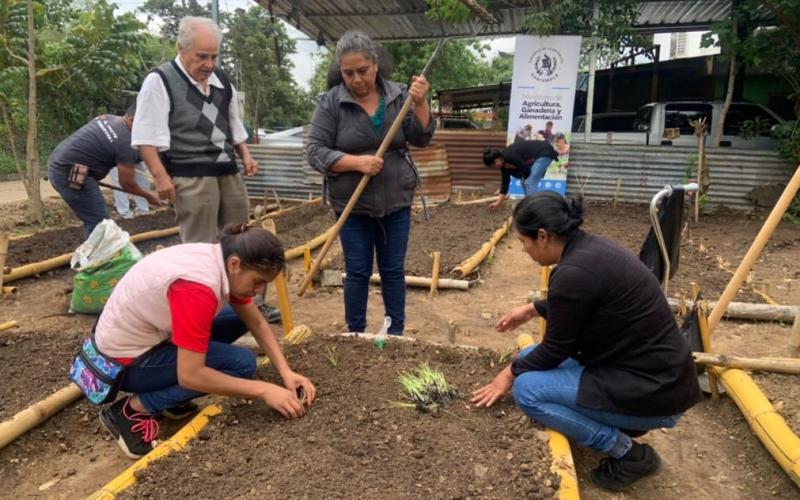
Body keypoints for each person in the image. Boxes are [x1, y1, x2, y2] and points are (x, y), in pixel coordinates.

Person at [471, 193, 702, 492]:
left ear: (542, 236)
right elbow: (583, 301)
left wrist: (507, 374)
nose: (523, 249)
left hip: (654, 391)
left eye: (523, 241)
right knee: (529, 355)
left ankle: (629, 454)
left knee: (527, 390)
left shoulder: (573, 272)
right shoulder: (589, 249)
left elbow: (555, 350)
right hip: (656, 375)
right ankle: (619, 421)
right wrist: (532, 309)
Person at [94, 223, 317, 459]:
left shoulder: (219, 260)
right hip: (122, 364)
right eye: (257, 281)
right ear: (235, 264)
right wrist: (265, 391)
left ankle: (170, 399)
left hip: (145, 338)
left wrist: (285, 372)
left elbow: (258, 322)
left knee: (238, 317)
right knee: (241, 365)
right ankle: (133, 410)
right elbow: (190, 375)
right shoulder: (197, 287)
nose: (260, 290)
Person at [307, 31, 434, 335]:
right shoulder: (331, 103)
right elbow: (315, 152)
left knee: (392, 271)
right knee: (358, 271)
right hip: (352, 204)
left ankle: (395, 332)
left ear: (375, 65)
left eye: (362, 70)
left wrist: (420, 103)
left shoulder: (398, 96)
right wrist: (356, 162)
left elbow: (421, 137)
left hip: (396, 200)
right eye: (348, 72)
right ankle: (356, 333)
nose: (356, 79)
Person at [132, 16, 257, 244]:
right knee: (200, 245)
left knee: (240, 238)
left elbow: (232, 123)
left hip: (227, 171)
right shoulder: (161, 81)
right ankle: (202, 280)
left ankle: (231, 280)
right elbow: (145, 137)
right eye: (202, 57)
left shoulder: (221, 80)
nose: (209, 64)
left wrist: (246, 155)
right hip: (190, 175)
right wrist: (161, 177)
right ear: (181, 48)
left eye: (213, 57)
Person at [47, 106, 160, 238]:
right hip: (69, 173)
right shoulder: (126, 142)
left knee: (98, 223)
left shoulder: (109, 118)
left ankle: (95, 255)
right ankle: (95, 257)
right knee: (100, 225)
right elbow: (127, 183)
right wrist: (149, 196)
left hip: (60, 163)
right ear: (133, 120)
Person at [482, 140, 559, 209]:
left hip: (544, 152)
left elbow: (526, 170)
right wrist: (498, 202)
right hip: (537, 156)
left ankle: (533, 209)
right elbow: (505, 182)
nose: (495, 167)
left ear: (496, 161)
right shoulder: (503, 164)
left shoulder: (509, 156)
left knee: (529, 182)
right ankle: (531, 205)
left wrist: (515, 168)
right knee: (523, 181)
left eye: (493, 165)